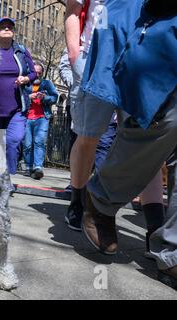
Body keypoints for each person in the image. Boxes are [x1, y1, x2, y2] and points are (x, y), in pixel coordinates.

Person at [76, 0, 176, 287]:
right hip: (139, 31)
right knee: (156, 121)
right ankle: (98, 198)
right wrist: (76, 58)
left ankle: (171, 247)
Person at [64, 0, 112, 230]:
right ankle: (77, 202)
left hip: (132, 62)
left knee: (138, 138)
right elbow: (73, 10)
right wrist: (76, 57)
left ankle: (154, 226)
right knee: (87, 137)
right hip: (91, 60)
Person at [0, 17, 36, 194]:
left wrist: (26, 78)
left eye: (10, 27)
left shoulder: (21, 51)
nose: (7, 29)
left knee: (14, 140)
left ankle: (5, 176)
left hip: (16, 107)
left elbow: (33, 72)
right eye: (3, 26)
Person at [22, 63, 58, 180]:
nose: (37, 74)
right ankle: (28, 167)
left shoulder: (46, 84)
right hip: (27, 117)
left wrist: (44, 98)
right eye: (35, 72)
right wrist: (29, 97)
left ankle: (38, 167)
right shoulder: (26, 84)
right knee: (27, 144)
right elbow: (18, 98)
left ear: (42, 73)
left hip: (42, 117)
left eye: (39, 72)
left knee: (39, 142)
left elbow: (54, 97)